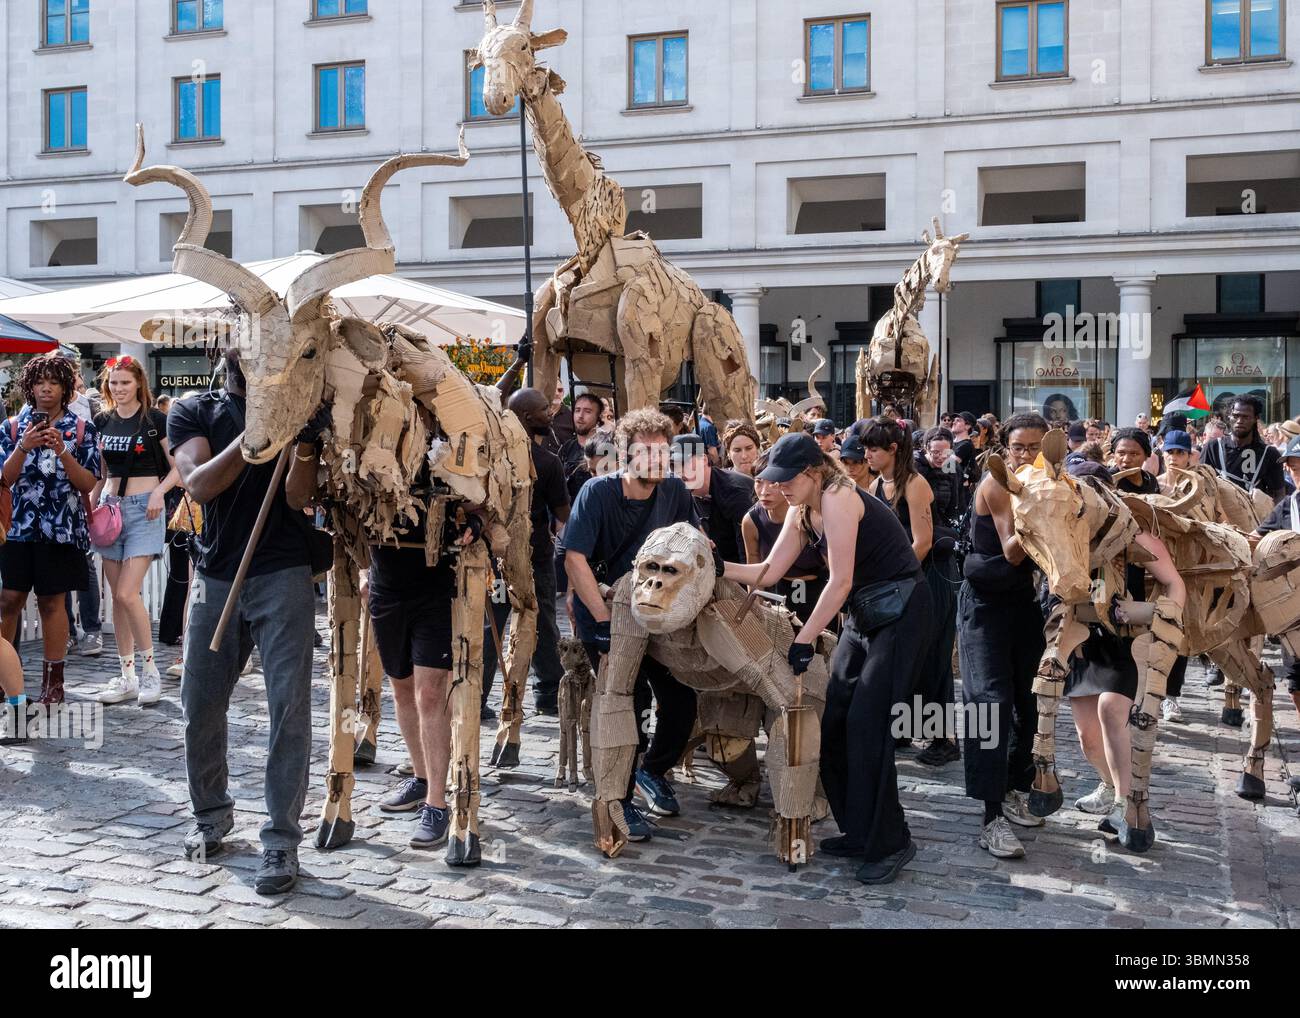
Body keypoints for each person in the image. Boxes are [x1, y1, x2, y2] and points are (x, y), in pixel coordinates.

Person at [722, 432, 930, 885]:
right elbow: (766, 573)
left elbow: (839, 581)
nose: (778, 488)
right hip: (864, 614)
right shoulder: (802, 510)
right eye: (774, 480)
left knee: (867, 726)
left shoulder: (837, 497)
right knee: (834, 723)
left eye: (787, 480)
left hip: (901, 612)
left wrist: (804, 641)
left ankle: (892, 841)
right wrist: (710, 565)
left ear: (814, 473)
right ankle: (859, 829)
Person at [167, 349, 320, 895]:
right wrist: (255, 432)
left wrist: (301, 441)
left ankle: (281, 840)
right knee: (200, 703)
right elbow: (199, 484)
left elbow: (299, 497)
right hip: (215, 577)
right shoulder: (193, 410)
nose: (251, 351)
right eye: (244, 340)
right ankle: (211, 813)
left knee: (289, 711)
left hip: (283, 573)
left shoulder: (296, 416)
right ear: (226, 348)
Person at [562, 408, 701, 839]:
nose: (659, 459)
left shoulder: (676, 492)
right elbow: (575, 558)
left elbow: (693, 544)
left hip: (658, 615)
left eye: (665, 451)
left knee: (681, 701)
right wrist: (603, 622)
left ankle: (652, 771)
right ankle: (618, 800)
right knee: (629, 703)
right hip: (607, 613)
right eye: (648, 451)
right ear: (624, 454)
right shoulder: (596, 492)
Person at [1065, 461, 1186, 820]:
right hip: (1085, 641)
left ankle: (1125, 804)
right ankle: (1107, 784)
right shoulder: (1066, 535)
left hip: (1126, 642)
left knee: (1112, 712)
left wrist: (1155, 616)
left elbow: (1175, 584)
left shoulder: (1135, 535)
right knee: (1087, 736)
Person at [369, 492, 484, 848]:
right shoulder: (373, 441)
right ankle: (420, 779)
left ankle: (437, 802)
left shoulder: (447, 442)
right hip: (385, 586)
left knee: (430, 693)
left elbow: (481, 497)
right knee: (402, 689)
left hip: (436, 586)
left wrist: (475, 524)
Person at [958, 412, 1049, 860]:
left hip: (1024, 606)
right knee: (989, 703)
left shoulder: (1051, 483)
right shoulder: (996, 484)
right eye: (1019, 447)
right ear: (1005, 448)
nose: (1027, 454)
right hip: (985, 604)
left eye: (1035, 446)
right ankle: (989, 816)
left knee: (1026, 702)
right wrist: (1037, 515)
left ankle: (1015, 787)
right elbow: (1013, 552)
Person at [0, 354, 101, 706]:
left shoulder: (82, 429)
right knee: (8, 600)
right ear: (29, 386)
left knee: (51, 603)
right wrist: (23, 446)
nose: (46, 387)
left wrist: (62, 451)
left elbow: (87, 483)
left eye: (54, 381)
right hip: (16, 530)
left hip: (60, 530)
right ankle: (4, 679)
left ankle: (53, 684)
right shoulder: (13, 427)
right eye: (40, 381)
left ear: (65, 388)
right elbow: (4, 479)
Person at [863, 418, 957, 767]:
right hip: (902, 579)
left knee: (933, 658)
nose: (867, 453)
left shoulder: (914, 484)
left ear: (893, 450)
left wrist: (892, 575)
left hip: (929, 577)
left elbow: (923, 541)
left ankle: (944, 739)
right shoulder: (876, 485)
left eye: (873, 448)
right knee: (907, 658)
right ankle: (904, 728)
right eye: (866, 447)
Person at [90, 355, 180, 706]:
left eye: (125, 382)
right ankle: (126, 675)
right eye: (114, 382)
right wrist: (92, 504)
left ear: (139, 383)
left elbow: (180, 467)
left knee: (128, 593)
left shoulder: (155, 420)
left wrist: (159, 490)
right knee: (118, 598)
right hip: (110, 513)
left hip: (145, 510)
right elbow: (101, 471)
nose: (119, 388)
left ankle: (150, 670)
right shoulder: (102, 420)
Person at [506, 387, 570, 715]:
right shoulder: (547, 462)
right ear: (529, 418)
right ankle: (547, 694)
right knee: (544, 622)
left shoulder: (495, 454)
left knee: (494, 627)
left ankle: (488, 693)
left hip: (502, 553)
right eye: (545, 409)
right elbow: (563, 515)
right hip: (535, 556)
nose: (551, 413)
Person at [740, 450, 830, 629]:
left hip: (818, 590)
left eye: (773, 483)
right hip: (778, 592)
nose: (764, 492)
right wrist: (756, 604)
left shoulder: (812, 514)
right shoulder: (751, 521)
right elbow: (754, 562)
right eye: (758, 482)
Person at [62, 362, 104, 659]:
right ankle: (66, 630)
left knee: (85, 566)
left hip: (83, 495)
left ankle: (92, 629)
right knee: (55, 572)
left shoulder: (90, 408)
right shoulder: (32, 409)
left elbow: (99, 458)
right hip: (50, 500)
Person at [672, 432, 754, 566]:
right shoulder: (678, 492)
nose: (679, 471)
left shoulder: (735, 490)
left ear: (703, 459)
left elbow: (748, 551)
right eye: (673, 465)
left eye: (684, 463)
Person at [1201, 395, 1285, 504]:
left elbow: (1279, 494)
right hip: (1219, 517)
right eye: (1236, 416)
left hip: (1255, 518)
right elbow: (1201, 487)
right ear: (1229, 416)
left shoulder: (1269, 454)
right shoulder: (1212, 448)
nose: (1239, 421)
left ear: (1256, 419)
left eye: (1246, 417)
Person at [915, 426, 961, 529]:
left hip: (942, 527)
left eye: (946, 453)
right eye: (935, 452)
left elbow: (955, 502)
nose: (941, 457)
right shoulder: (915, 466)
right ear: (926, 448)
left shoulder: (951, 466)